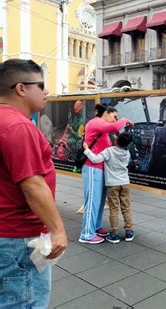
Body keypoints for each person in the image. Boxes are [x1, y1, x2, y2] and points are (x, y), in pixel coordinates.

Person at [0, 59, 68, 307]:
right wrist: (57, 229)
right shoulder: (18, 126)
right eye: (41, 85)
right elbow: (31, 185)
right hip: (18, 238)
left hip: (5, 233)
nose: (46, 91)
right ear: (21, 88)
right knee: (24, 301)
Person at [79, 106, 133, 244]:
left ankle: (96, 227)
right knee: (92, 200)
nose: (115, 120)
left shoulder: (102, 128)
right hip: (92, 167)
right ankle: (86, 234)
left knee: (100, 200)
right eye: (114, 116)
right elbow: (114, 128)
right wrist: (125, 120)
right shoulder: (96, 122)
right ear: (106, 113)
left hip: (100, 168)